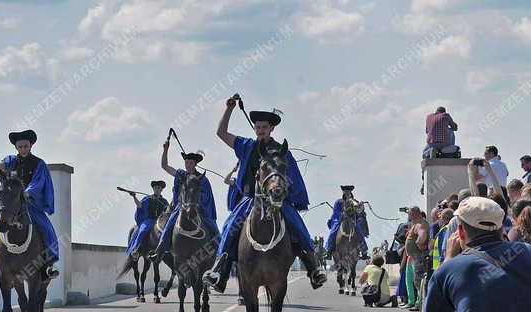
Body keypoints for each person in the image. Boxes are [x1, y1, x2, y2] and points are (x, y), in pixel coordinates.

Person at [205, 94, 326, 291]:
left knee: (296, 223)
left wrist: (284, 194)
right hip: (251, 198)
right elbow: (221, 132)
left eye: (264, 127)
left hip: (277, 199)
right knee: (230, 225)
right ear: (255, 129)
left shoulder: (282, 151)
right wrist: (229, 109)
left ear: (271, 129)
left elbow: (292, 177)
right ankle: (220, 269)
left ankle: (313, 267)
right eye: (258, 127)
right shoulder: (246, 146)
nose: (261, 130)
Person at [0, 130, 59, 281]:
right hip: (11, 204)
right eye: (20, 146)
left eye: (25, 146)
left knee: (46, 228)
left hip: (29, 204)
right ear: (16, 147)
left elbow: (38, 183)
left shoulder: (39, 164)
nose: (23, 149)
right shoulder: (10, 161)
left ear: (30, 146)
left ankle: (49, 264)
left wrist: (24, 194)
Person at [152, 146, 217, 261]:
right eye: (186, 162)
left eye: (190, 163)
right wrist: (165, 149)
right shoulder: (180, 174)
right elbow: (164, 166)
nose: (188, 165)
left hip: (198, 208)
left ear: (195, 164)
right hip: (181, 207)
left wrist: (194, 199)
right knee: (169, 224)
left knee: (213, 227)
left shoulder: (202, 179)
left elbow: (206, 196)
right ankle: (160, 250)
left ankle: (220, 252)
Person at [124, 181, 169, 260]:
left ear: (161, 190)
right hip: (150, 220)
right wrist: (134, 197)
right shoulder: (148, 198)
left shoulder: (164, 201)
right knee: (143, 229)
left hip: (160, 222)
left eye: (159, 188)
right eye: (155, 188)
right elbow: (139, 205)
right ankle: (136, 249)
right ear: (153, 189)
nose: (157, 189)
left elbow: (168, 211)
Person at [324, 185, 369, 259]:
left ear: (350, 192)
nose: (347, 193)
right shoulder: (338, 202)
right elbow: (336, 212)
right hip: (340, 220)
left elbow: (359, 212)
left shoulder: (355, 201)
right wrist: (342, 215)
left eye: (348, 191)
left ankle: (364, 251)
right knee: (333, 231)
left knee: (359, 232)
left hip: (352, 221)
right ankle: (328, 250)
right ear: (343, 192)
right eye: (345, 191)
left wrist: (360, 208)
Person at [400, 206, 429, 311]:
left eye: (410, 213)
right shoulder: (415, 224)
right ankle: (412, 301)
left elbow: (422, 236)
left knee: (418, 281)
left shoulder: (421, 224)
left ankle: (418, 303)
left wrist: (418, 243)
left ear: (415, 213)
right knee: (409, 280)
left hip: (417, 257)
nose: (408, 215)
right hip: (411, 257)